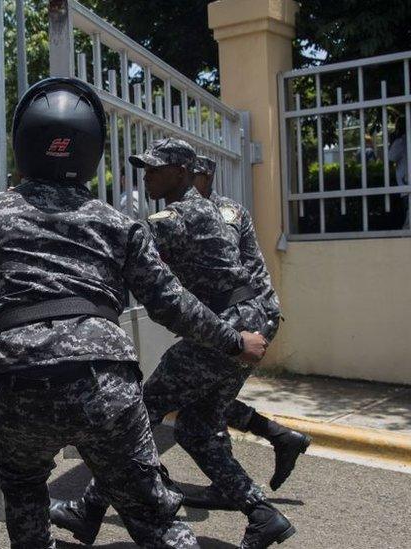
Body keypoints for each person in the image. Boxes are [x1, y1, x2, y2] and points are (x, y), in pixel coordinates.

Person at [0, 77, 267, 549]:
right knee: (156, 520)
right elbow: (172, 303)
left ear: (24, 143)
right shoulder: (116, 223)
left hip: (18, 382)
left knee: (24, 496)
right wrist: (233, 340)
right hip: (104, 384)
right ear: (92, 149)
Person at [52, 138, 294, 549]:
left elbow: (119, 250)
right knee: (197, 429)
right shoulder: (217, 210)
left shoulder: (172, 218)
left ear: (182, 172)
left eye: (156, 168)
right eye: (145, 167)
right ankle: (263, 514)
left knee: (137, 416)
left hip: (223, 331)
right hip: (248, 322)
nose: (147, 175)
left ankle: (88, 511)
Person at [183, 155, 310, 508]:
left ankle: (248, 486)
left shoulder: (220, 213)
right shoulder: (214, 209)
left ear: (205, 177)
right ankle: (279, 438)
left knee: (202, 404)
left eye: (191, 176)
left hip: (243, 319)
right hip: (244, 316)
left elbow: (218, 269)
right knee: (209, 401)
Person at [387, 117, 409, 229]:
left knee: (407, 226)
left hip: (406, 187)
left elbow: (389, 160)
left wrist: (392, 142)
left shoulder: (400, 142)